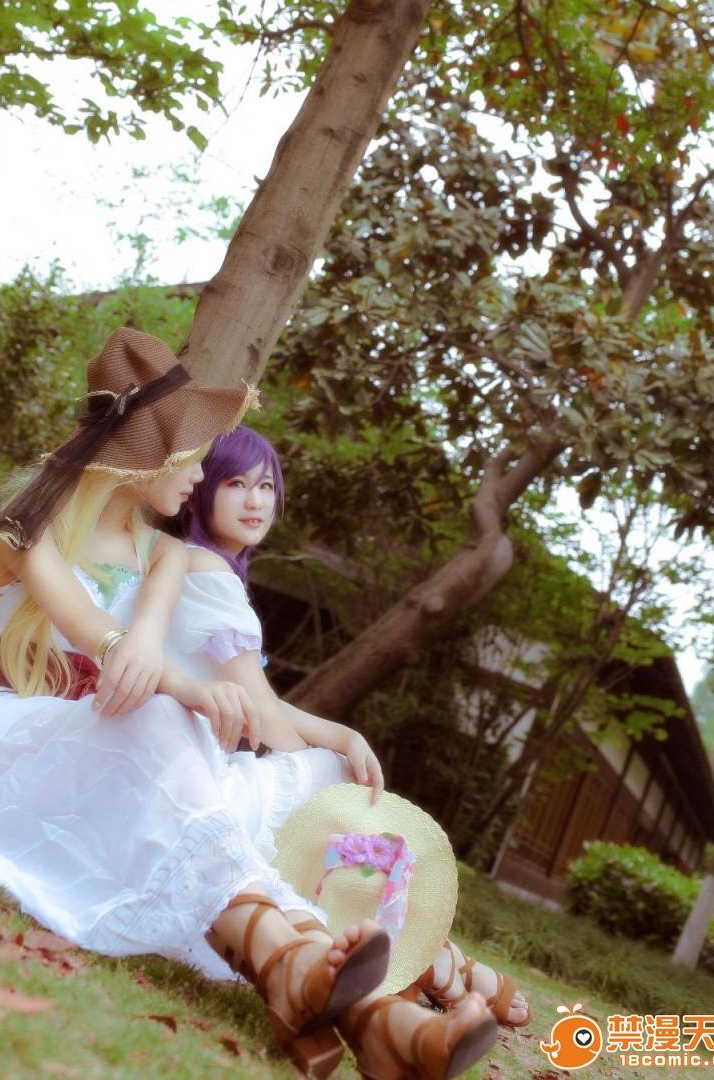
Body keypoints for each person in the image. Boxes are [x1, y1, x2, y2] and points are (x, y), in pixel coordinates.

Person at [0, 328, 491, 1080]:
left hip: (98, 737)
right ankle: (349, 1001)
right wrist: (189, 688)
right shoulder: (29, 526)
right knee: (158, 715)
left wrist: (183, 686)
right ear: (144, 452)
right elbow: (97, 634)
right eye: (192, 454)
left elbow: (144, 649)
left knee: (195, 742)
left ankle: (374, 1017)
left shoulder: (171, 553)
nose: (201, 474)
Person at [179, 425, 532, 1044]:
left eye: (266, 487)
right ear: (202, 489)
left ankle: (430, 958)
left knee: (335, 782)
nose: (256, 501)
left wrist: (341, 737)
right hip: (197, 781)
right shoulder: (205, 571)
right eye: (236, 484)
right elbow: (266, 722)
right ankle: (435, 963)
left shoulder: (209, 569)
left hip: (199, 766)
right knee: (335, 786)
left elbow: (264, 706)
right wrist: (336, 748)